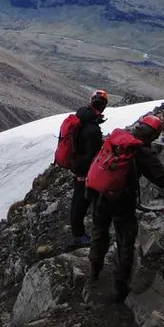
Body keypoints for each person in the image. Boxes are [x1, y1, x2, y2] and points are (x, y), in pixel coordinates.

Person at [88, 114, 164, 303]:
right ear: (154, 135)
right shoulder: (141, 152)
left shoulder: (119, 140)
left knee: (99, 230)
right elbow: (163, 179)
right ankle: (119, 287)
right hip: (122, 202)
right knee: (125, 241)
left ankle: (94, 269)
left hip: (101, 195)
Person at [69, 89, 109, 246]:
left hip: (77, 165)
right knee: (81, 201)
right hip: (83, 171)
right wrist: (84, 174)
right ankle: (78, 235)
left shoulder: (82, 116)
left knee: (79, 200)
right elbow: (90, 154)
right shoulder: (92, 128)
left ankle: (79, 231)